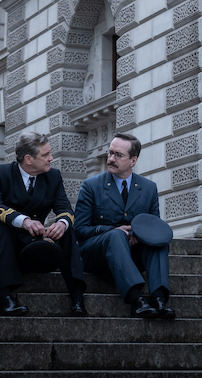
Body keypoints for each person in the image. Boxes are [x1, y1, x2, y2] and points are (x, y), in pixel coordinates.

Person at [0, 131, 87, 316]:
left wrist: (62, 223)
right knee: (6, 226)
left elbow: (65, 208)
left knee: (67, 231)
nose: (51, 158)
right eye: (45, 155)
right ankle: (4, 298)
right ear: (28, 159)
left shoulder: (53, 177)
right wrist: (23, 221)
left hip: (31, 245)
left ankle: (77, 296)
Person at [74, 132, 175, 318]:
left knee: (159, 241)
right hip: (96, 253)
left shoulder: (148, 188)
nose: (111, 159)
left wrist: (139, 235)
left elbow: (153, 227)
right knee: (116, 235)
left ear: (133, 160)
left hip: (132, 254)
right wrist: (113, 230)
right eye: (110, 153)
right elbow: (79, 230)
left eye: (118, 155)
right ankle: (136, 299)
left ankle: (159, 299)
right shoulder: (91, 186)